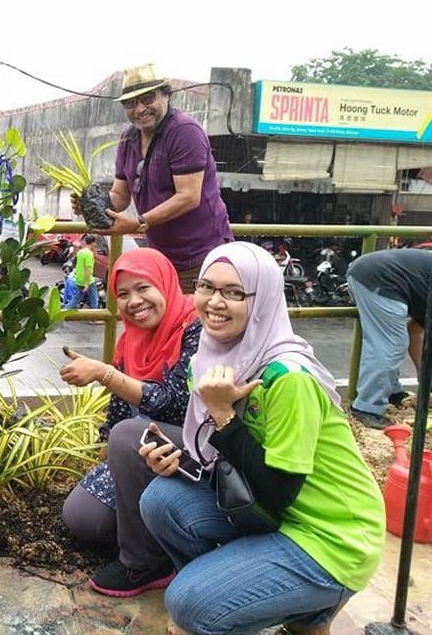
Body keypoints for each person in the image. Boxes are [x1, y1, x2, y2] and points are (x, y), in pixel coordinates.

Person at [138, 242, 384, 635]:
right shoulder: (209, 360)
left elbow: (278, 490)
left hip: (332, 535)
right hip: (276, 515)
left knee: (188, 604)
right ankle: (245, 594)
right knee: (161, 501)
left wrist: (222, 414)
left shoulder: (288, 379)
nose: (215, 302)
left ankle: (304, 604)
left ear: (264, 299)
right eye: (206, 287)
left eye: (235, 292)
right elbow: (222, 460)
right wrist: (176, 459)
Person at [59, 248, 200, 597]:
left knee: (127, 435)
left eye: (144, 288)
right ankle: (165, 535)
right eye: (123, 294)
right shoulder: (130, 340)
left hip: (193, 453)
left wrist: (104, 373)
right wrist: (110, 453)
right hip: (141, 452)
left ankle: (145, 562)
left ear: (165, 284)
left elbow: (173, 405)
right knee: (81, 517)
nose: (133, 301)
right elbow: (120, 411)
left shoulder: (195, 330)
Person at [98, 63, 232, 293]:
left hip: (200, 258)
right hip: (161, 259)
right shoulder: (128, 139)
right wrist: (94, 204)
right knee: (164, 327)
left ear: (166, 95)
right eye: (130, 103)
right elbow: (120, 196)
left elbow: (189, 196)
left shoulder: (184, 131)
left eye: (147, 98)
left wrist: (138, 222)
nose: (139, 109)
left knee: (194, 326)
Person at [347, 247, 432, 429]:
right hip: (381, 277)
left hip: (372, 271)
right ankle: (366, 408)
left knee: (393, 341)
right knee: (390, 344)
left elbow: (416, 331)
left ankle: (392, 393)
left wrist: (424, 377)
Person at [63, 234, 99, 311]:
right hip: (88, 281)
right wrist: (86, 284)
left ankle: (63, 312)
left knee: (76, 299)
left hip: (79, 280)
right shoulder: (89, 254)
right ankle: (94, 317)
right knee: (94, 301)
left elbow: (78, 266)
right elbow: (87, 270)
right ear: (93, 243)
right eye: (95, 243)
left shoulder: (81, 252)